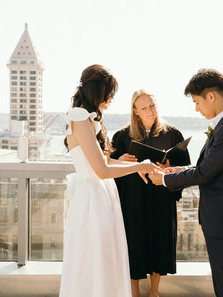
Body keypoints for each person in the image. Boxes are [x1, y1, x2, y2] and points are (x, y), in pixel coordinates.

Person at [59, 65, 161, 297]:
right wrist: (139, 166)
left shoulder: (86, 118)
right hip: (92, 198)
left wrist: (139, 167)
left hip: (99, 193)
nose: (112, 98)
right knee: (93, 258)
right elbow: (102, 169)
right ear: (98, 91)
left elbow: (105, 162)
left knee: (102, 257)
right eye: (110, 93)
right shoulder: (79, 117)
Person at [149, 69, 223, 297]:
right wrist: (179, 169)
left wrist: (164, 179)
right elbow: (210, 167)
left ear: (211, 97)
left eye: (197, 102)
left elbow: (205, 173)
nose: (196, 109)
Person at [110, 89, 191, 297]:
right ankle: (134, 291)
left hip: (161, 198)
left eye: (152, 105)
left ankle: (155, 291)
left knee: (160, 241)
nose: (150, 111)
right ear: (135, 111)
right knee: (133, 242)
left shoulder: (173, 134)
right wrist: (122, 162)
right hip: (133, 200)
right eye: (144, 107)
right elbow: (110, 171)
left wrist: (170, 165)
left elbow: (186, 168)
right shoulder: (121, 137)